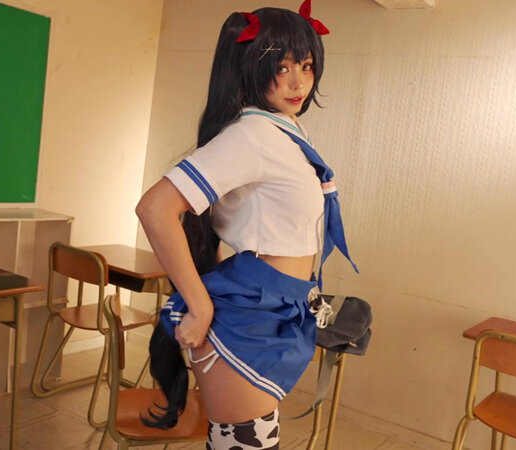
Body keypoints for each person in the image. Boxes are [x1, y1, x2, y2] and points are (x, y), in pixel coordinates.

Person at [136, 2, 356, 448]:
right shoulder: (251, 135)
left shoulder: (283, 131)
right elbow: (155, 208)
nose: (298, 82)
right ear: (251, 69)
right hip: (251, 311)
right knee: (244, 441)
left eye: (306, 66)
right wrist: (199, 306)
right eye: (281, 67)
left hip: (279, 304)